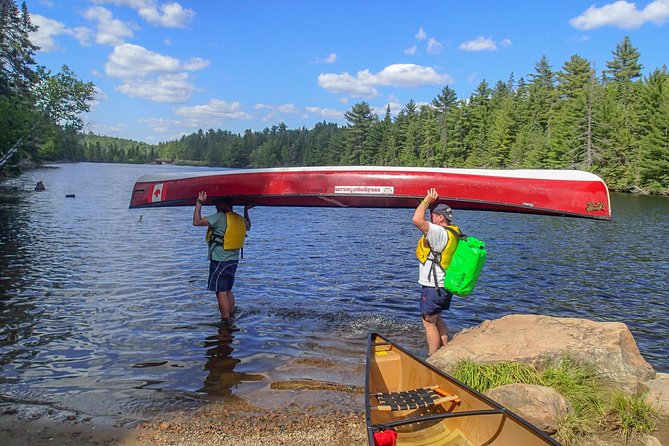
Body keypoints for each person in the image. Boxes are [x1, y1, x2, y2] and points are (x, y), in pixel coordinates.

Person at [412, 187, 458, 356]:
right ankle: (446, 353)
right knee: (436, 319)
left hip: (434, 286)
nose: (430, 216)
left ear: (440, 217)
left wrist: (426, 201)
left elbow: (417, 219)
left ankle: (433, 358)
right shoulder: (453, 231)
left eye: (432, 214)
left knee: (428, 322)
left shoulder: (438, 232)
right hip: (444, 284)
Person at [193, 191, 253, 321]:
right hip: (233, 261)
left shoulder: (219, 217)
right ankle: (231, 315)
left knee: (220, 291)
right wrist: (246, 211)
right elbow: (248, 227)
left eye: (217, 203)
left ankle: (225, 320)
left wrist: (199, 203)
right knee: (228, 289)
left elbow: (197, 222)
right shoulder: (239, 218)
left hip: (220, 261)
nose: (215, 206)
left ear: (223, 205)